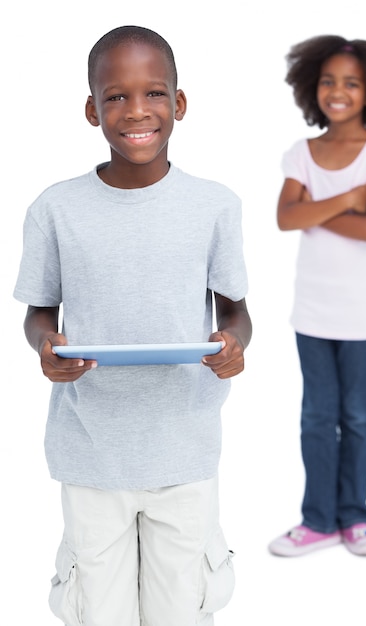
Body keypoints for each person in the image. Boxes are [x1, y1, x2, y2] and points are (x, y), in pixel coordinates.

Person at [13, 25, 252, 625]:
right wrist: (47, 345)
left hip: (185, 449)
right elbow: (39, 313)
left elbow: (236, 312)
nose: (136, 110)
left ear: (180, 103)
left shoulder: (215, 206)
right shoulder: (55, 208)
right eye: (116, 96)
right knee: (100, 612)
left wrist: (234, 345)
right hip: (93, 455)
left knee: (180, 611)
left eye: (153, 93)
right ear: (92, 110)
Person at [268, 35, 366, 557]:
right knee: (315, 418)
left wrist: (319, 204)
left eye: (351, 82)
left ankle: (355, 518)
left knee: (359, 417)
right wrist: (347, 196)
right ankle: (318, 520)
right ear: (312, 88)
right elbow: (285, 218)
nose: (338, 91)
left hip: (364, 317)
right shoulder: (300, 153)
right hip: (312, 312)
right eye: (328, 81)